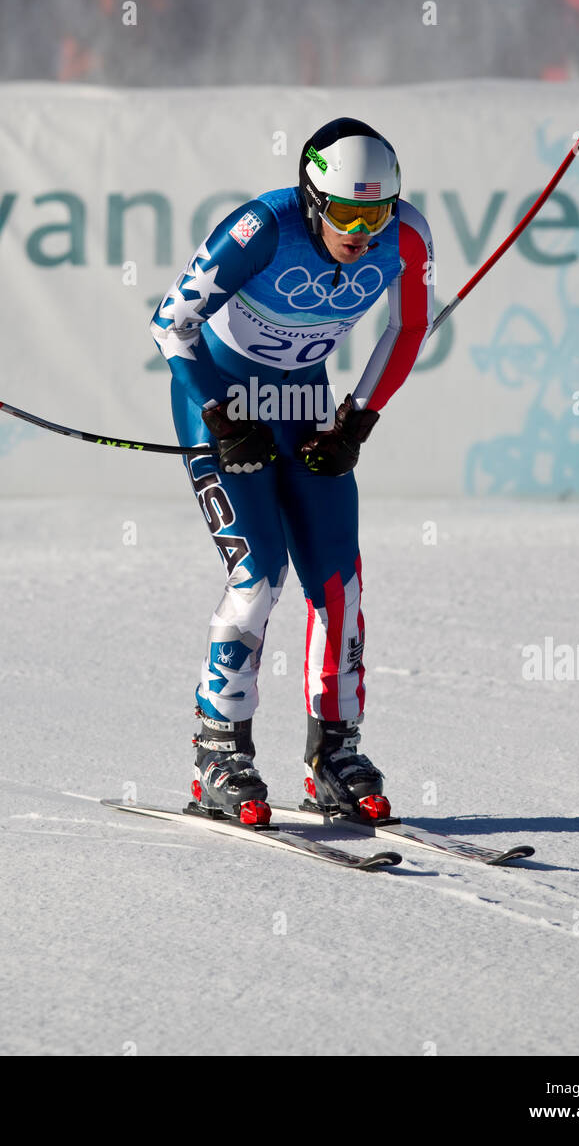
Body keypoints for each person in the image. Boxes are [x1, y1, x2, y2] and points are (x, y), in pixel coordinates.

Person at [151, 119, 434, 824]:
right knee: (259, 577)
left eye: (377, 213)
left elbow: (407, 327)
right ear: (312, 200)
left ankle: (335, 752)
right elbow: (172, 322)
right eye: (345, 214)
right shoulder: (263, 228)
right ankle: (218, 751)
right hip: (224, 400)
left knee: (339, 580)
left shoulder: (406, 237)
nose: (362, 232)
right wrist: (221, 415)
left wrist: (357, 420)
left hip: (305, 403)